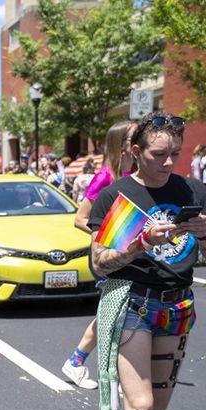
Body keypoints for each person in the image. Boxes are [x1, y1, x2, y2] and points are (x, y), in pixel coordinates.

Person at [88, 111, 206, 410]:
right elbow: (99, 262)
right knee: (141, 403)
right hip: (133, 302)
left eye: (175, 155)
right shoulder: (118, 196)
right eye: (159, 154)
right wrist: (141, 242)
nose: (169, 163)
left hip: (177, 305)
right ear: (135, 152)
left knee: (160, 404)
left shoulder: (192, 190)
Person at [64, 119, 136, 390]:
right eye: (133, 138)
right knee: (115, 312)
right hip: (106, 257)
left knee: (115, 312)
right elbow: (81, 219)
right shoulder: (105, 176)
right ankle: (102, 370)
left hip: (130, 257)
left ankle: (76, 361)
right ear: (122, 145)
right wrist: (113, 238)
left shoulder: (136, 176)